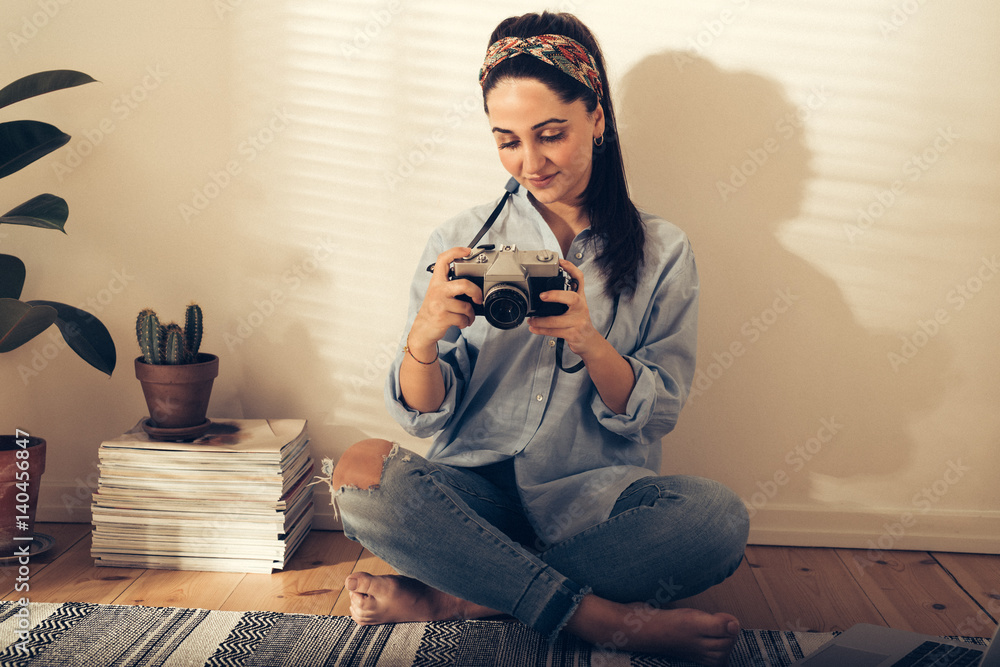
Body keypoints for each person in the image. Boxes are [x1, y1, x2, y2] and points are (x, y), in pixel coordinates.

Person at [330, 11, 750, 666]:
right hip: (472, 497)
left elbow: (658, 410)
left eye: (550, 134)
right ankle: (597, 616)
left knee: (717, 520)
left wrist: (589, 338)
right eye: (506, 140)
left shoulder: (664, 250)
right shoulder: (459, 242)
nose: (531, 161)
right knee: (358, 472)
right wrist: (424, 337)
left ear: (598, 118)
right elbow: (422, 412)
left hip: (598, 504)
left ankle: (462, 596)